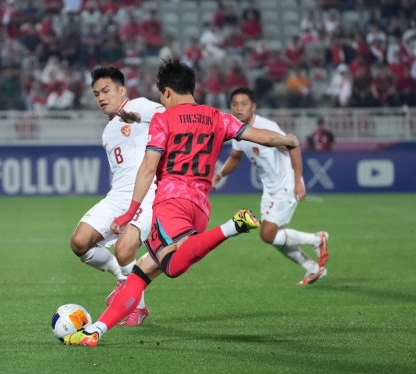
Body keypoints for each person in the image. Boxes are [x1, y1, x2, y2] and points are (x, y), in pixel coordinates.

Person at [63, 58, 300, 346]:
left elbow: (149, 168)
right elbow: (258, 136)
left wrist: (131, 212)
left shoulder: (164, 118)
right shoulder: (218, 116)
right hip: (200, 207)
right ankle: (95, 331)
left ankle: (232, 227)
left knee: (172, 265)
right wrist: (285, 139)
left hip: (171, 201)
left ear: (166, 93)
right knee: (139, 274)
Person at [69, 66, 164, 327]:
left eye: (106, 90)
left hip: (147, 194)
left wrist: (141, 119)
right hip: (118, 195)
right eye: (96, 93)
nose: (100, 97)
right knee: (79, 243)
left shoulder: (139, 106)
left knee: (125, 249)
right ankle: (122, 280)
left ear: (122, 90)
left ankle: (138, 306)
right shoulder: (107, 131)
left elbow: (170, 117)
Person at [213, 88, 329, 286]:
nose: (239, 108)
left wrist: (298, 180)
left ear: (253, 106)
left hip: (285, 185)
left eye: (244, 103)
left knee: (267, 234)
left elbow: (293, 146)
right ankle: (313, 268)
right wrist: (220, 174)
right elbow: (235, 157)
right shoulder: (238, 131)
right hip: (270, 190)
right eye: (235, 104)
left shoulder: (266, 127)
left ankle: (317, 239)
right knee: (276, 237)